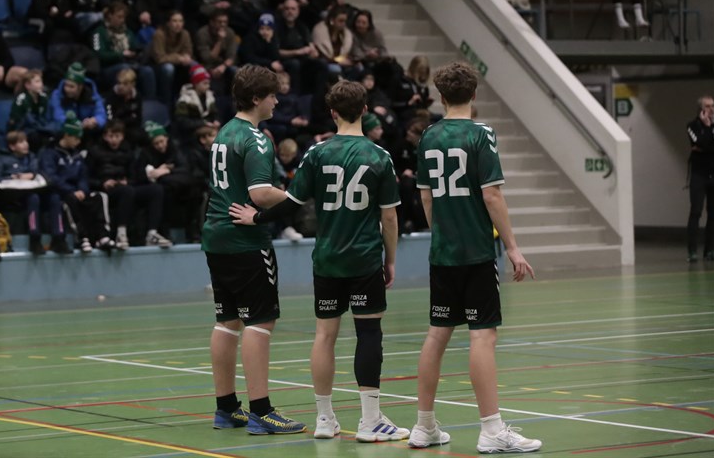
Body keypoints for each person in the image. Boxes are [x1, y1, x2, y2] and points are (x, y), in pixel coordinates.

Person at [229, 79, 409, 441]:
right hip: (364, 259)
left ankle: (325, 419)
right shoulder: (379, 156)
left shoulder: (316, 153)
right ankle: (370, 420)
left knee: (325, 335)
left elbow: (292, 203)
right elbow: (389, 217)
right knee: (368, 333)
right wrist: (390, 260)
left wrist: (257, 217)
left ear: (332, 113)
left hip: (327, 260)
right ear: (364, 110)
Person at [409, 61, 540, 453]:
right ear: (474, 94)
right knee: (482, 335)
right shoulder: (482, 134)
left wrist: (442, 232)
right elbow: (492, 194)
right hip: (477, 251)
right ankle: (491, 429)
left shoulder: (428, 136)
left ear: (441, 96)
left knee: (437, 334)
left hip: (443, 252)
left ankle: (424, 426)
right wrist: (512, 247)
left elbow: (426, 197)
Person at [200, 64, 306, 435]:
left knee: (227, 321)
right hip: (245, 241)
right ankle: (262, 411)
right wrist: (298, 197)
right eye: (273, 95)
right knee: (259, 323)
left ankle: (227, 407)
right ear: (257, 98)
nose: (277, 101)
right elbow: (260, 193)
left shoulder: (224, 132)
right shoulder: (256, 139)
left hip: (216, 236)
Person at [89, 120, 172, 248]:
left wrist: (127, 181)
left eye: (117, 136)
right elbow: (88, 177)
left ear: (122, 136)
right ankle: (121, 234)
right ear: (105, 136)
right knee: (127, 191)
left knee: (156, 190)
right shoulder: (95, 151)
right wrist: (102, 183)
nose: (114, 140)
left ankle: (152, 233)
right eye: (111, 136)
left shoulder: (128, 151)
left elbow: (135, 176)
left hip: (126, 187)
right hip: (105, 189)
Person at [40, 116, 114, 254]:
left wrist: (82, 190)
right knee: (70, 200)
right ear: (67, 135)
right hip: (62, 192)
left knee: (100, 196)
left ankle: (103, 236)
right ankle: (82, 238)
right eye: (76, 138)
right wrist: (70, 190)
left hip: (78, 191)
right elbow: (51, 178)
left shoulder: (77, 156)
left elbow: (83, 176)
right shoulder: (50, 153)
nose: (78, 142)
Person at [687, 95, 714, 262]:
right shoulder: (692, 126)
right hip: (699, 175)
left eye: (713, 106)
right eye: (708, 106)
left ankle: (710, 250)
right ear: (701, 109)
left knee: (713, 213)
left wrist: (704, 146)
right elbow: (699, 143)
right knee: (696, 211)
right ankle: (692, 251)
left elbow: (705, 146)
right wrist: (706, 127)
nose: (711, 109)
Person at [49, 62, 107, 141]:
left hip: (86, 131)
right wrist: (76, 124)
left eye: (71, 87)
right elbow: (58, 116)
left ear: (80, 87)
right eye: (66, 85)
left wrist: (94, 121)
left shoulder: (92, 95)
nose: (67, 89)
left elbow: (101, 114)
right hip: (65, 130)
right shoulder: (57, 95)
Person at [149, 10, 193, 107]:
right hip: (158, 66)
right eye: (174, 21)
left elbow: (188, 52)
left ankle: (190, 100)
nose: (178, 24)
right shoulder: (159, 34)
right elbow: (160, 58)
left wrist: (186, 57)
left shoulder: (185, 34)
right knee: (168, 68)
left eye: (180, 21)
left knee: (194, 65)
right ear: (168, 23)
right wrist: (179, 58)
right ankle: (166, 101)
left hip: (179, 64)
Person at [194, 10, 238, 94]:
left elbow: (232, 56)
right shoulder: (202, 33)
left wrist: (223, 66)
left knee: (235, 71)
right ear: (212, 22)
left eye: (225, 22)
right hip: (207, 65)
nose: (223, 24)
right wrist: (219, 41)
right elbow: (207, 59)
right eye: (219, 22)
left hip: (224, 65)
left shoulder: (230, 32)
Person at [175, 63, 220, 140]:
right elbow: (182, 121)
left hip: (208, 127)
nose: (208, 86)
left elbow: (214, 113)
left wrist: (216, 120)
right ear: (196, 84)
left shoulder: (210, 97)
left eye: (208, 83)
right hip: (192, 132)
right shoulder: (185, 99)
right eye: (205, 83)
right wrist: (202, 123)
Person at [104, 68, 145, 146]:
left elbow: (138, 119)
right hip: (114, 129)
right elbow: (111, 119)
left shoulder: (137, 97)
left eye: (125, 84)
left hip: (131, 129)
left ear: (133, 84)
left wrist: (125, 119)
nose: (121, 86)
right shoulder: (111, 96)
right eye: (119, 83)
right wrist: (129, 117)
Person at [312, 6, 354, 76]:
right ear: (332, 20)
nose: (343, 24)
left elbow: (345, 54)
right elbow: (322, 55)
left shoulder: (345, 33)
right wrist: (338, 61)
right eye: (340, 21)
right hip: (325, 62)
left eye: (345, 21)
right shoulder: (320, 31)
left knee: (358, 68)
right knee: (335, 69)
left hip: (339, 62)